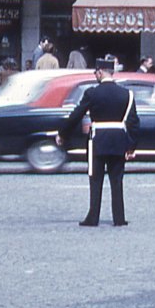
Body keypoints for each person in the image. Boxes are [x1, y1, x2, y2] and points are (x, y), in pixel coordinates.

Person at [56, 56, 140, 227]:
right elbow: (133, 122)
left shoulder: (92, 93)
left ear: (101, 72)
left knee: (96, 179)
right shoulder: (127, 94)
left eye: (96, 72)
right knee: (117, 180)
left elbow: (77, 114)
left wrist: (63, 133)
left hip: (97, 140)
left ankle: (93, 217)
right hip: (118, 139)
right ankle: (119, 218)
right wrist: (132, 146)